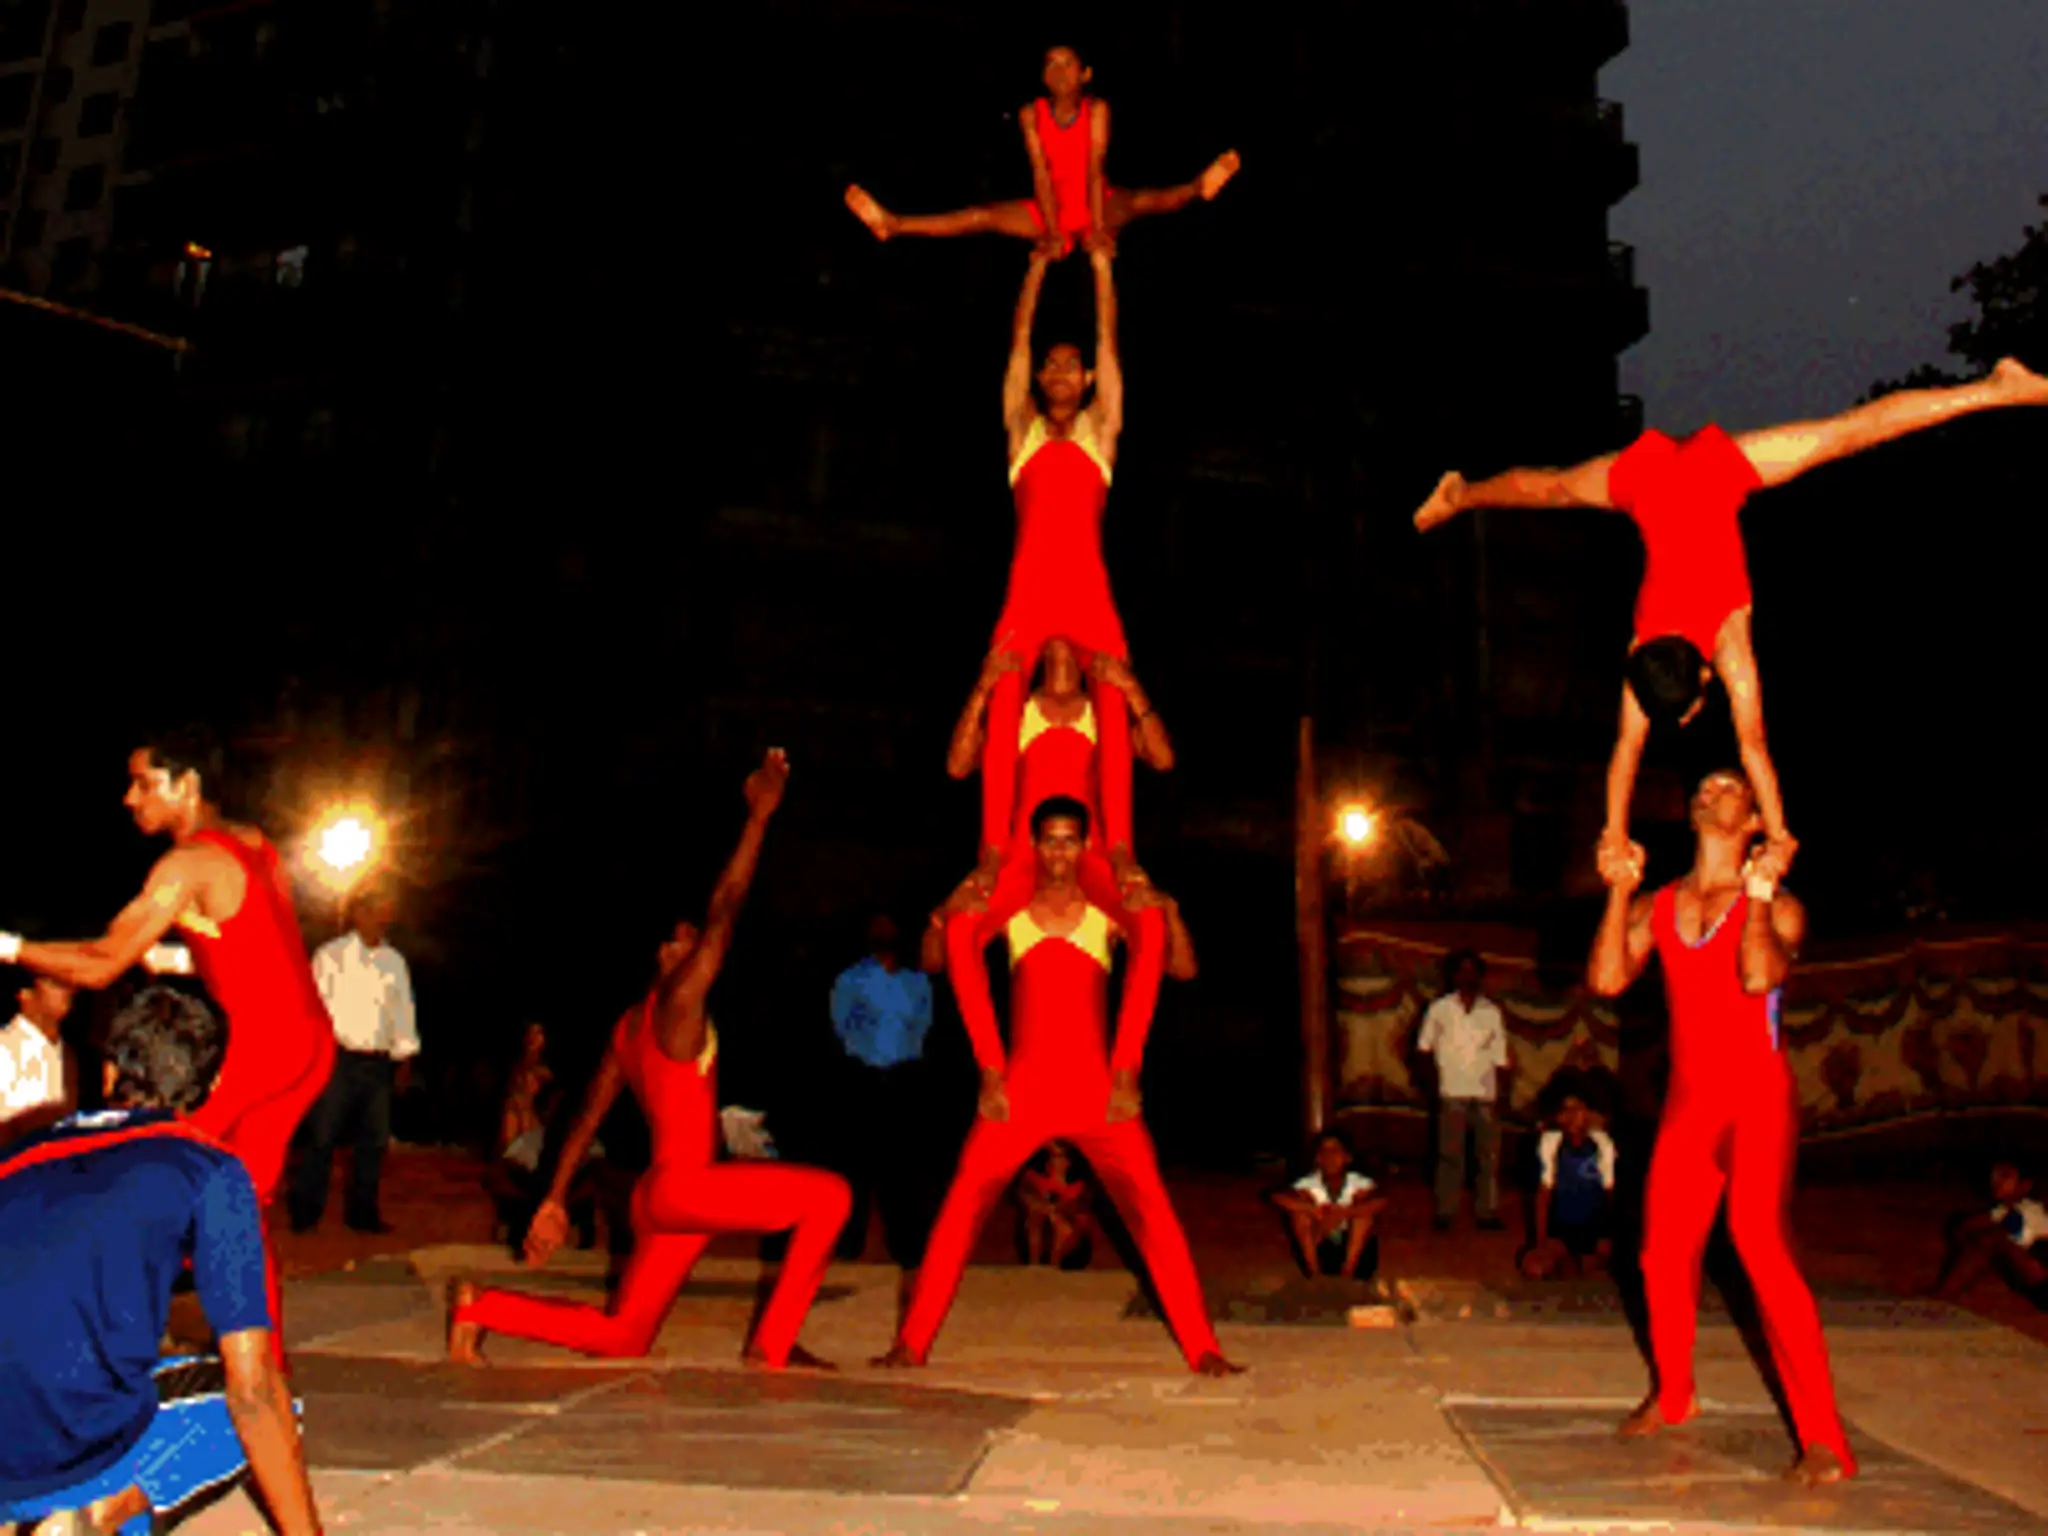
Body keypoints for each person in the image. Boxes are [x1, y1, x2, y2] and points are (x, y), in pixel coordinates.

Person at [1414, 359, 2048, 869]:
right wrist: (1611, 832)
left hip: (1712, 479)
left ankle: (1996, 391)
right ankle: (1462, 494)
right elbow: (1625, 757)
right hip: (1652, 484)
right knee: (1554, 488)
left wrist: (1779, 831)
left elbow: (1753, 746)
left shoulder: (1728, 637)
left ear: (1706, 678)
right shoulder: (1645, 656)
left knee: (1844, 436)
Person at [448, 752, 852, 1370]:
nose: (701, 951)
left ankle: (483, 1309)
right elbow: (727, 906)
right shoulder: (679, 1005)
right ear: (669, 951)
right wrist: (759, 820)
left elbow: (585, 1116)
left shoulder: (628, 1026)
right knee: (829, 1197)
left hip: (658, 1200)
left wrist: (554, 1198)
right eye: (688, 942)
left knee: (626, 1337)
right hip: (686, 1189)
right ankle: (771, 1347)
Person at [0, 725, 335, 1364]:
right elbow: (259, 941)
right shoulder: (251, 843)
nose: (130, 798)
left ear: (187, 784)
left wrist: (10, 948)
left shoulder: (184, 864)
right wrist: (182, 958)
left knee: (148, 1181)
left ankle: (112, 1350)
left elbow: (100, 964)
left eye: (144, 782)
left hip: (260, 1053)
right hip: (310, 1045)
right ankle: (261, 1370)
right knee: (237, 1201)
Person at [876, 795, 1240, 1376]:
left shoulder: (1107, 912)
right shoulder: (1015, 910)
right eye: (1050, 839)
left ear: (1087, 846)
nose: (1060, 851)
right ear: (1034, 846)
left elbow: (1183, 969)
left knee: (1153, 1213)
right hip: (1018, 1091)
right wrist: (944, 913)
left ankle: (1204, 1348)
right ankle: (912, 1343)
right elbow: (936, 961)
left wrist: (1168, 910)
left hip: (1102, 1092)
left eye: (1071, 839)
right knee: (959, 1209)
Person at [1588, 767, 1854, 1484]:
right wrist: (1618, 889)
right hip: (1688, 1102)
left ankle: (1824, 1440)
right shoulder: (1661, 901)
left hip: (1756, 1097)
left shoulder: (1783, 907)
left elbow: (1760, 978)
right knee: (1660, 1253)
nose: (1709, 792)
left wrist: (1760, 900)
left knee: (1759, 1244)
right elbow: (1609, 978)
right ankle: (1675, 1398)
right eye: (1701, 787)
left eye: (1728, 787)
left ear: (1754, 822)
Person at [0, 985, 321, 1536]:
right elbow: (253, 1390)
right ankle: (99, 1510)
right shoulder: (208, 1170)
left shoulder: (15, 1156)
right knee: (269, 1403)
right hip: (63, 1452)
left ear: (108, 1072)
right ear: (212, 1084)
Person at [974, 244, 1153, 892]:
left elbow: (1110, 343)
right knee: (999, 695)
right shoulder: (1021, 431)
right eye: (1050, 366)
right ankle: (993, 848)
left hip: (1086, 595)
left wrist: (1105, 269)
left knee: (1111, 695)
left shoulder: (1098, 433)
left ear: (1085, 384)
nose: (1056, 371)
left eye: (1070, 367)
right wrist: (1035, 268)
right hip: (1028, 594)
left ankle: (1123, 847)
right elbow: (1018, 340)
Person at [844, 44, 1238, 257]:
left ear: (1085, 75)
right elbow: (1041, 173)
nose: (1059, 70)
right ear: (1042, 75)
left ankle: (1197, 186)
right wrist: (1052, 232)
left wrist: (1097, 229)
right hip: (1049, 206)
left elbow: (1092, 167)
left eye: (1068, 63)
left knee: (1142, 202)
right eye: (1051, 63)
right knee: (981, 216)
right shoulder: (1031, 113)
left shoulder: (1097, 110)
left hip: (1096, 200)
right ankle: (894, 224)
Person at [951, 634, 1173, 914]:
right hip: (1019, 852)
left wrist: (1131, 688)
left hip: (1090, 851)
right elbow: (958, 767)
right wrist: (983, 687)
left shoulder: (1103, 715)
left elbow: (1163, 759)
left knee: (1151, 911)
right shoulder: (1015, 712)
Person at [292, 878, 420, 1234]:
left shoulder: (394, 962)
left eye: (387, 912)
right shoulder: (331, 956)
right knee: (322, 1136)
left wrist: (404, 1058)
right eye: (378, 910)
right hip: (338, 1057)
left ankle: (362, 1214)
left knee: (374, 1142)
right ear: (360, 913)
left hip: (378, 1061)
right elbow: (312, 1009)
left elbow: (402, 1012)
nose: (384, 917)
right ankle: (306, 1211)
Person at [828, 914, 941, 1305]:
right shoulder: (851, 979)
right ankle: (847, 1243)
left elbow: (924, 1025)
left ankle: (908, 1249)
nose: (883, 933)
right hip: (863, 1077)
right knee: (855, 1164)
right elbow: (840, 1026)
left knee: (904, 1168)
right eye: (876, 927)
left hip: (905, 1079)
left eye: (888, 927)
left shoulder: (915, 980)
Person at [1417, 951, 1509, 1231]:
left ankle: (1487, 1213)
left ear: (1480, 976)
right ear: (1453, 975)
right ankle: (1446, 1212)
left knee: (1488, 1158)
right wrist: (1434, 1087)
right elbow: (1423, 1050)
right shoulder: (1439, 1009)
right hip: (1451, 1093)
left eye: (1472, 971)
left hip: (1485, 1095)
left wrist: (1503, 1094)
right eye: (1462, 971)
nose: (1467, 977)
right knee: (1449, 1157)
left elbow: (1501, 1058)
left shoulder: (1492, 1013)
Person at [1523, 1090, 1618, 1280]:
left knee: (1626, 1262)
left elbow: (1611, 1194)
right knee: (1533, 1267)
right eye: (1567, 1110)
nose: (1572, 1116)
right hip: (1562, 1231)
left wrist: (1613, 1236)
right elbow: (1543, 1196)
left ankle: (1586, 1262)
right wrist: (1541, 1242)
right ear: (1559, 1117)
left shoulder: (1602, 1144)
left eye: (1578, 1110)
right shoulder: (1550, 1142)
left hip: (1595, 1228)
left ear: (1589, 1114)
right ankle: (1571, 1261)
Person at [1271, 1130, 1387, 1282]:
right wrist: (1313, 1210)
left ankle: (1348, 1273)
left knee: (1363, 1216)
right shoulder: (1308, 1185)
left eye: (1335, 1151)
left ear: (1347, 1157)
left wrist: (1345, 1213)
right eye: (1324, 1152)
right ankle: (1315, 1277)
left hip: (1355, 1255)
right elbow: (1277, 1197)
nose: (1330, 1157)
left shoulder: (1358, 1183)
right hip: (1321, 1250)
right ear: (1318, 1159)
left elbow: (1381, 1201)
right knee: (1300, 1215)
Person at [1934, 1161, 2048, 1308]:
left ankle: (1944, 1293)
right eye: (1995, 1175)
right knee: (1985, 1239)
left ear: (2025, 1185)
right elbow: (1967, 1226)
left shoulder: (2031, 1212)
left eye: (2005, 1176)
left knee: (1992, 1240)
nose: (1997, 1181)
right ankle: (1947, 1291)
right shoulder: (2004, 1211)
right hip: (2038, 1283)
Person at [0, 974, 76, 1145]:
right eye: (55, 983)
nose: (69, 990)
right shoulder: (4, 1049)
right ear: (25, 994)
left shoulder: (76, 1055)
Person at [1017, 1140, 1097, 1269]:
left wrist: (1056, 1212)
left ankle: (1055, 1263)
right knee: (1035, 1216)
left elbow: (1077, 1213)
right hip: (1043, 1222)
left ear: (1068, 1162)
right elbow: (1024, 1195)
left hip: (1067, 1232)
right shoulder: (1036, 1180)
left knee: (1061, 1228)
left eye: (1060, 1157)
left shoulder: (1077, 1187)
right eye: (1053, 1157)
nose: (1056, 1162)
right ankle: (1034, 1263)